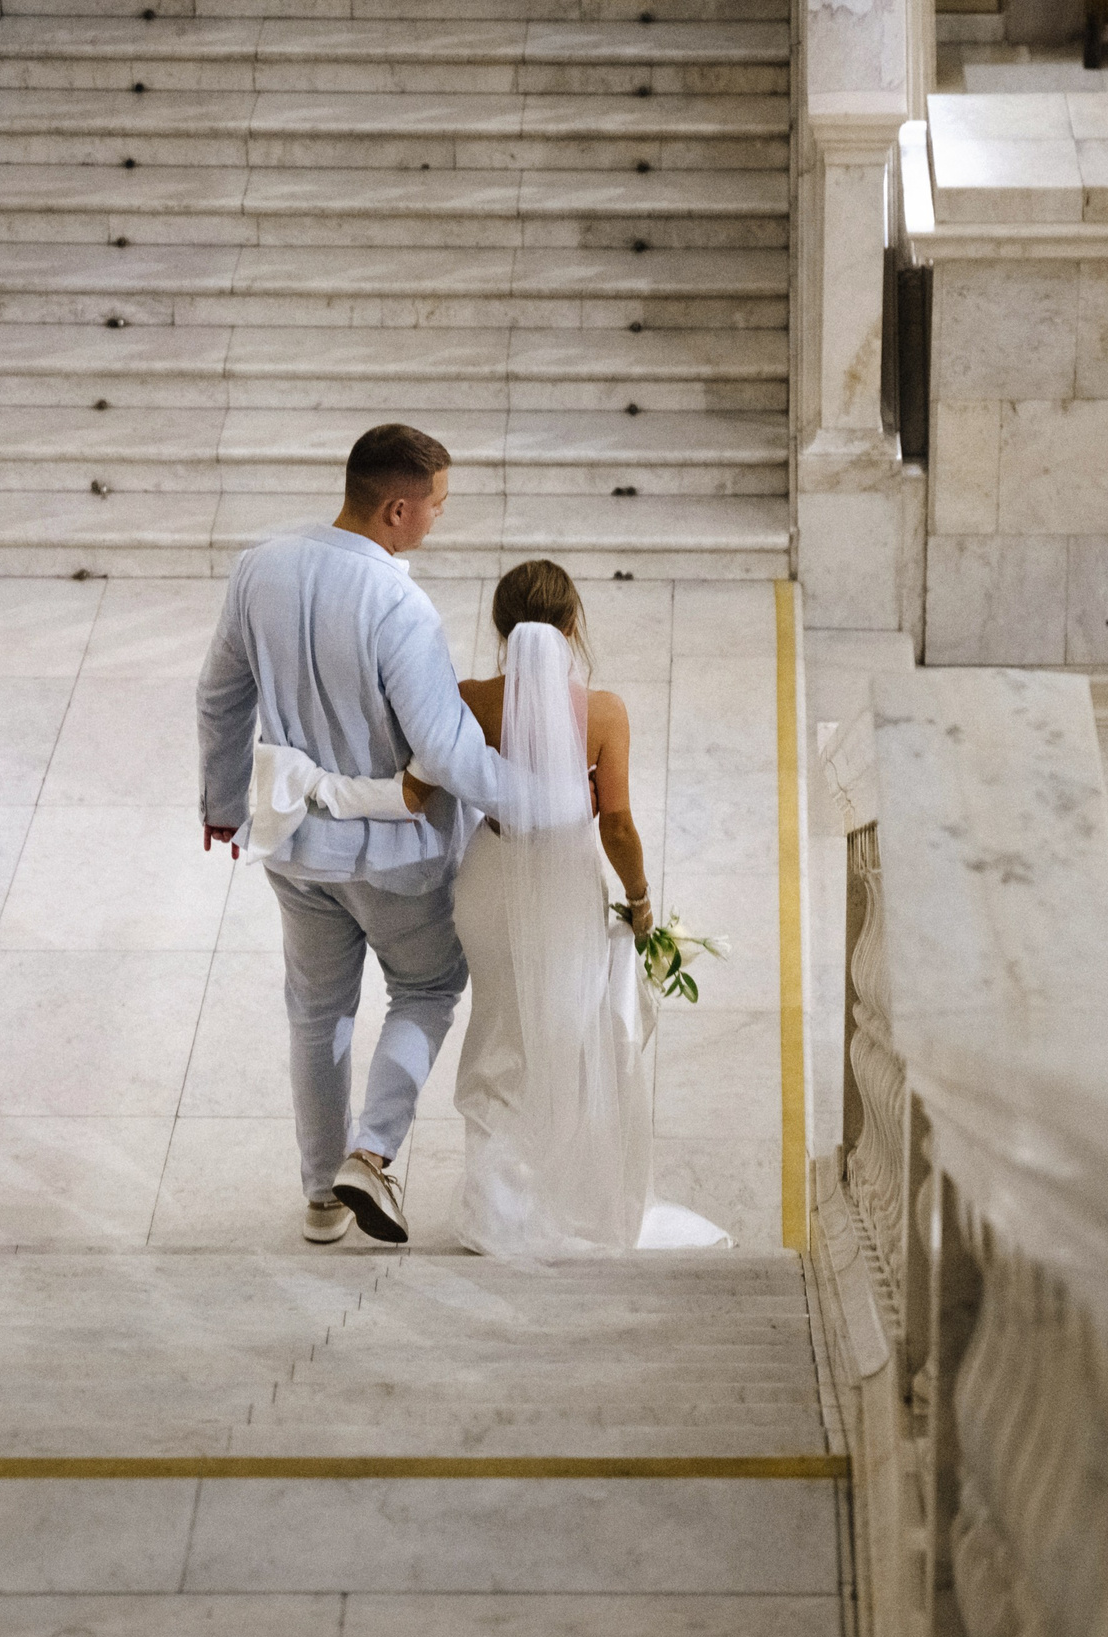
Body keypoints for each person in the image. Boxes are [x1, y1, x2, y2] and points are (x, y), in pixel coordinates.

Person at [196, 424, 505, 1247]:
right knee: (429, 989)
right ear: (398, 509)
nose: (439, 521)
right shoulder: (398, 604)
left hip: (295, 846)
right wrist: (531, 798)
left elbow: (219, 695)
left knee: (316, 1010)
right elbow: (442, 748)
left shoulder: (260, 565)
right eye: (437, 507)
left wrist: (222, 804)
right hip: (396, 860)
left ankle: (319, 1197)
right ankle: (369, 1155)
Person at [438, 562, 732, 1255]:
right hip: (565, 885)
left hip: (488, 879)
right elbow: (619, 825)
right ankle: (557, 1189)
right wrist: (640, 901)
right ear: (573, 625)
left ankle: (498, 1201)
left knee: (499, 1027)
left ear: (501, 629)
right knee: (567, 1035)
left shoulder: (469, 700)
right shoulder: (602, 713)